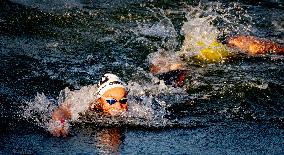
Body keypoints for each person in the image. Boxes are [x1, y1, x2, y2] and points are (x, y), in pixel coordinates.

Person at [149, 35, 284, 87]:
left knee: (246, 46)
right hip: (208, 50)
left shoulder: (176, 65)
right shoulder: (168, 65)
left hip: (219, 49)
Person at [49, 73, 128, 137]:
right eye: (111, 101)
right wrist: (61, 123)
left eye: (123, 100)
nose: (118, 106)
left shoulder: (134, 106)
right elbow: (63, 111)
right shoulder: (84, 102)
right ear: (99, 100)